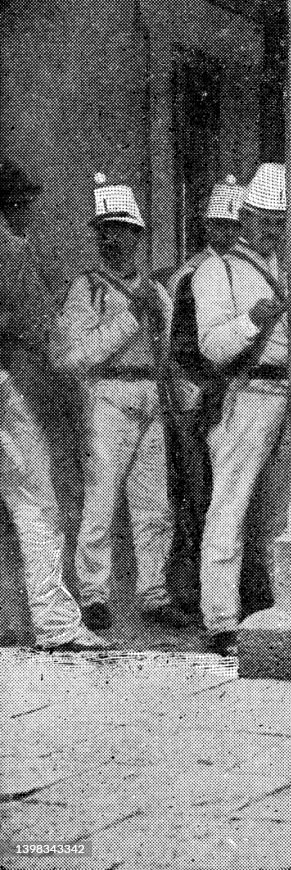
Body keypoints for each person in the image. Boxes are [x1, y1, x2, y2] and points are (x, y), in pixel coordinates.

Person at [54, 174, 188, 633]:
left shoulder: (155, 292)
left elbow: (167, 349)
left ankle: (154, 594)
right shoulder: (86, 289)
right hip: (106, 396)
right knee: (102, 499)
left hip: (151, 392)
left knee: (154, 505)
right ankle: (93, 595)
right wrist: (126, 324)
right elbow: (70, 357)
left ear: (138, 237)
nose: (120, 240)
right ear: (99, 236)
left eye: (128, 231)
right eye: (110, 230)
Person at [0, 161, 109, 651]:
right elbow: (42, 329)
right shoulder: (12, 250)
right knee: (36, 505)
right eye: (24, 203)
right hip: (8, 383)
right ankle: (56, 626)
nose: (28, 213)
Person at [192, 162, 291, 655]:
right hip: (246, 392)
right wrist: (253, 320)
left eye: (280, 220)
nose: (273, 229)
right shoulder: (218, 270)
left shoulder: (288, 267)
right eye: (265, 219)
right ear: (245, 216)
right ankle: (221, 618)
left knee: (282, 510)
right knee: (230, 505)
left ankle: (281, 606)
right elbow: (211, 345)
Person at [164, 174, 246, 614]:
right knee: (195, 496)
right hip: (199, 392)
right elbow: (183, 347)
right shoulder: (194, 274)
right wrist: (196, 394)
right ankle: (188, 593)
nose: (225, 232)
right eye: (218, 224)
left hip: (231, 389)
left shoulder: (251, 267)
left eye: (232, 224)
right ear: (207, 226)